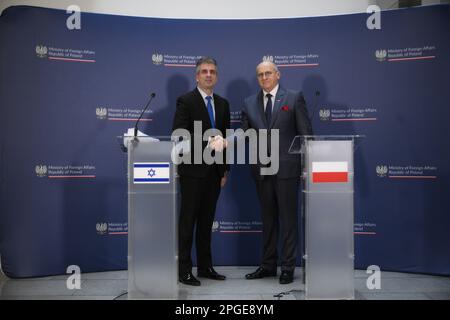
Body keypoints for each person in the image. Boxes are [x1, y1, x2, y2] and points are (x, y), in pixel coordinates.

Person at [241, 61, 313, 284]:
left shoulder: (293, 97)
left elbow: (306, 136)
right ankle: (268, 265)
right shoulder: (249, 102)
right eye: (260, 75)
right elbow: (244, 135)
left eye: (268, 73)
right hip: (262, 171)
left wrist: (307, 167)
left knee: (288, 221)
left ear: (278, 75)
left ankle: (288, 267)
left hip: (287, 171)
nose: (264, 78)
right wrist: (224, 140)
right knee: (268, 221)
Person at [172, 57, 230, 286]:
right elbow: (179, 134)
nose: (208, 75)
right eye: (204, 71)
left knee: (207, 223)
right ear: (197, 76)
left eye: (212, 71)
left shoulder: (223, 104)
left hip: (215, 173)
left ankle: (205, 267)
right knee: (188, 222)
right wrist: (207, 141)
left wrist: (225, 170)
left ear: (217, 76)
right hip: (192, 171)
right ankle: (184, 270)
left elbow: (224, 139)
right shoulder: (185, 101)